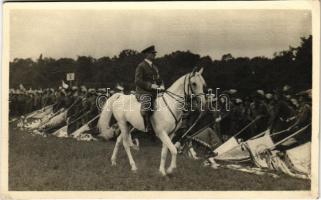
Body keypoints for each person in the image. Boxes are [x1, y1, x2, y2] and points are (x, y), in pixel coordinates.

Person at [135, 45, 164, 135]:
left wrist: (161, 84)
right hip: (143, 91)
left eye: (154, 53)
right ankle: (147, 127)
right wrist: (150, 86)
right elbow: (137, 80)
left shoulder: (155, 67)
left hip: (154, 92)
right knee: (147, 101)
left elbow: (158, 79)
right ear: (147, 54)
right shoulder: (141, 66)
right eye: (152, 53)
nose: (154, 55)